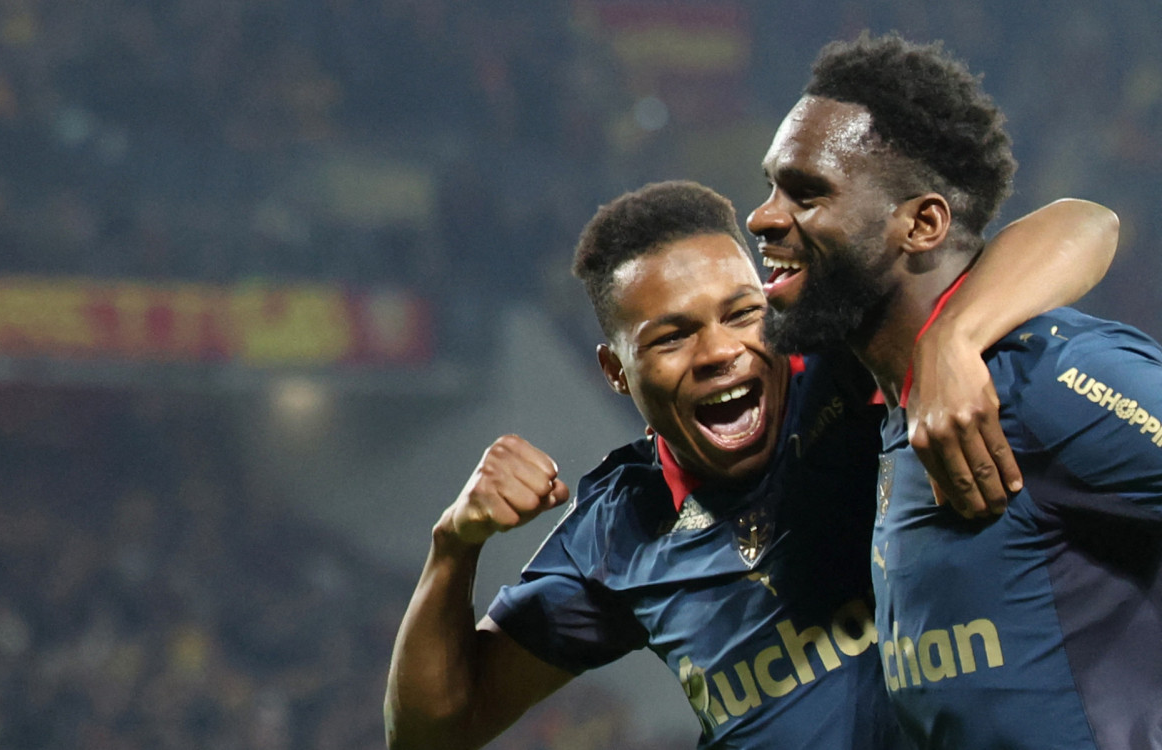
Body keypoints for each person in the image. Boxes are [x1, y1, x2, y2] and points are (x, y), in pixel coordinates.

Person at [384, 177, 1117, 748]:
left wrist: (950, 340)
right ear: (615, 370)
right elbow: (434, 730)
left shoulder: (853, 374)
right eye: (671, 337)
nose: (718, 353)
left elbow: (1084, 226)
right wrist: (455, 545)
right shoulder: (619, 530)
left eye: (740, 313)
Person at [747, 31, 1159, 748]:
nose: (762, 216)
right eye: (771, 187)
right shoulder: (866, 405)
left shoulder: (1039, 381)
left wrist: (955, 338)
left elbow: (1092, 221)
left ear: (923, 224)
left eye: (808, 193)